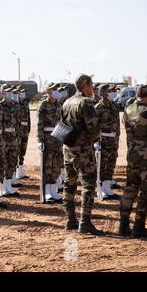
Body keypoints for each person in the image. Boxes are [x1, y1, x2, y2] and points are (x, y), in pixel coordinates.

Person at [61, 74, 103, 235]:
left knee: (69, 184)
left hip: (68, 148)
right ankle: (85, 222)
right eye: (91, 84)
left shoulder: (67, 102)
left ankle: (70, 220)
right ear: (85, 85)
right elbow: (93, 128)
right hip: (83, 150)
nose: (93, 87)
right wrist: (92, 139)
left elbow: (62, 124)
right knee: (88, 184)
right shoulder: (86, 102)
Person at [118, 85, 147, 238]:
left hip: (132, 155)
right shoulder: (145, 112)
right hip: (145, 156)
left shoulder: (128, 109)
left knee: (130, 188)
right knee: (145, 192)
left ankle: (123, 225)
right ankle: (138, 226)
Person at [37, 83, 63, 204]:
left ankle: (53, 190)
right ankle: (47, 192)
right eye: (54, 89)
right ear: (48, 91)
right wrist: (40, 140)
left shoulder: (59, 104)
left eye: (57, 89)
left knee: (56, 165)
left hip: (58, 138)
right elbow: (39, 124)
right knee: (47, 165)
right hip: (47, 138)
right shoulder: (43, 104)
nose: (57, 91)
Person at [94, 84, 120, 200]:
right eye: (111, 91)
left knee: (111, 164)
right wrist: (95, 141)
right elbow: (93, 126)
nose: (114, 93)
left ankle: (107, 188)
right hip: (102, 139)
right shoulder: (98, 107)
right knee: (102, 166)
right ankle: (101, 189)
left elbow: (117, 123)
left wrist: (117, 137)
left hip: (113, 140)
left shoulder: (114, 105)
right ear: (104, 93)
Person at [0, 84, 20, 197]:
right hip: (3, 137)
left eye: (11, 91)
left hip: (13, 137)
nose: (10, 93)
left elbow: (18, 123)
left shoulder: (16, 106)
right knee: (3, 163)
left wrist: (17, 136)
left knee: (12, 162)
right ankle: (2, 187)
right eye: (7, 91)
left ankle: (8, 185)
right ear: (2, 93)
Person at [16, 85, 30, 180]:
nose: (22, 93)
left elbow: (28, 117)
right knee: (15, 152)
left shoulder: (25, 103)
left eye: (23, 92)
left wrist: (28, 129)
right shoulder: (15, 104)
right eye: (20, 92)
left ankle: (21, 171)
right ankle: (16, 172)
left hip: (24, 130)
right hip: (17, 132)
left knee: (22, 152)